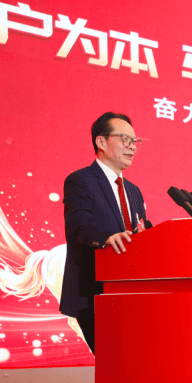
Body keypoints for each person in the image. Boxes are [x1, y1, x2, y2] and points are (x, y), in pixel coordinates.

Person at [60, 112, 146, 354]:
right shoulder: (80, 180)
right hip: (94, 292)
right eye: (125, 139)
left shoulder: (134, 191)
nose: (133, 147)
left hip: (130, 293)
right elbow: (79, 224)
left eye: (135, 141)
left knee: (132, 364)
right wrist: (106, 237)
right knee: (113, 364)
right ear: (101, 142)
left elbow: (141, 232)